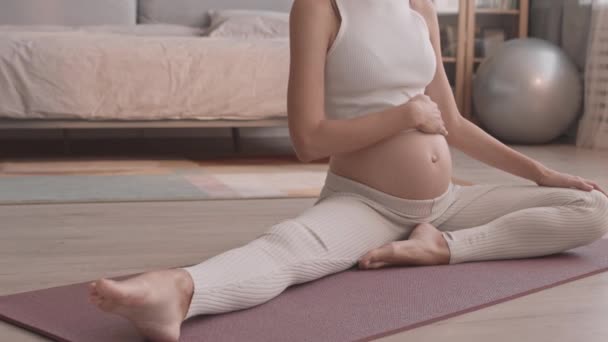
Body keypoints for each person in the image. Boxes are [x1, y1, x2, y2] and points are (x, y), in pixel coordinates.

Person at [87, 1, 608, 341]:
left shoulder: (417, 6)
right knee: (287, 250)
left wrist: (543, 174)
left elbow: (452, 122)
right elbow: (308, 139)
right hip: (366, 203)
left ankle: (442, 250)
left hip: (447, 204)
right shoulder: (319, 8)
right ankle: (176, 292)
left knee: (591, 209)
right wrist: (402, 116)